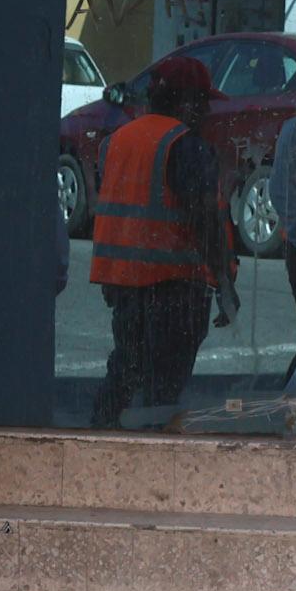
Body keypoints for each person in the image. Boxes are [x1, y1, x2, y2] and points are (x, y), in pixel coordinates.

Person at [89, 56, 233, 427]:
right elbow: (204, 221)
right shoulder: (185, 145)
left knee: (124, 372)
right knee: (163, 391)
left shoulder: (117, 141)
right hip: (174, 288)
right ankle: (152, 452)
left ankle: (100, 439)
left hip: (125, 286)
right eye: (202, 101)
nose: (205, 111)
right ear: (185, 101)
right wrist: (224, 282)